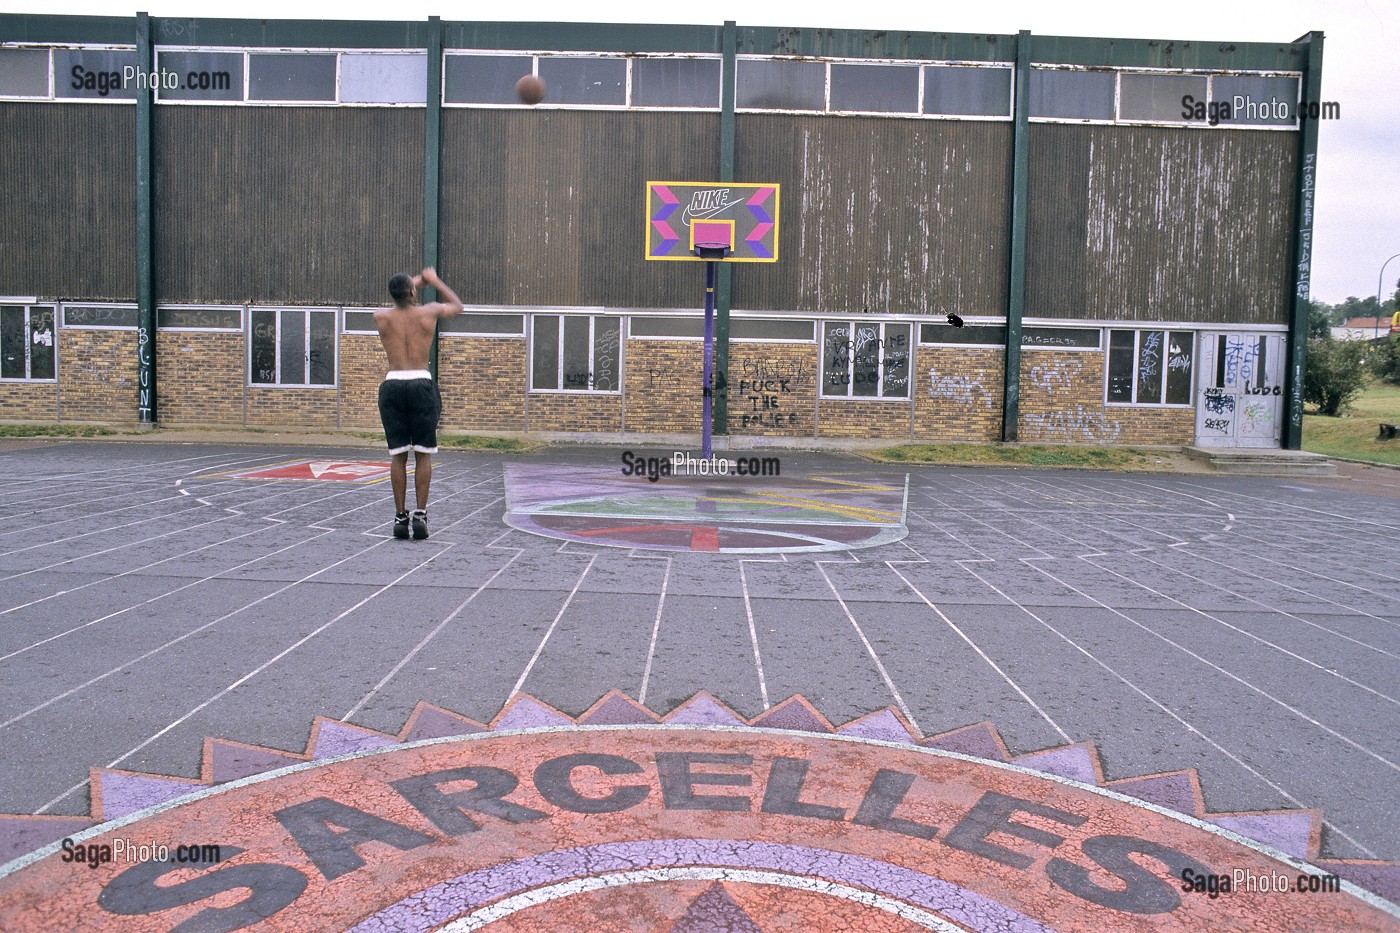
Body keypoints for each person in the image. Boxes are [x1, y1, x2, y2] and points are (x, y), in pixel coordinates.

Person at [374, 267, 464, 539]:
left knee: (398, 454)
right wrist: (433, 281)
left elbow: (398, 292)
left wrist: (411, 283)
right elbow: (457, 306)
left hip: (393, 384)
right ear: (413, 292)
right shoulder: (429, 311)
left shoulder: (381, 317)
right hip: (421, 384)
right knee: (423, 453)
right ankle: (420, 514)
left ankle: (400, 517)